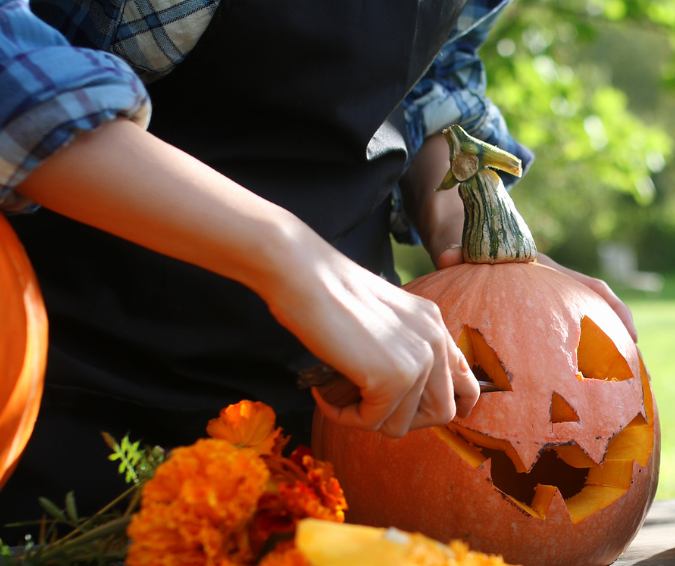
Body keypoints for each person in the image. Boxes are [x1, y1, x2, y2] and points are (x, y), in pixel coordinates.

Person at [0, 0, 636, 526]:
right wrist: (289, 255)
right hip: (57, 396)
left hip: (340, 431)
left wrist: (470, 224)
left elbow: (436, 79)